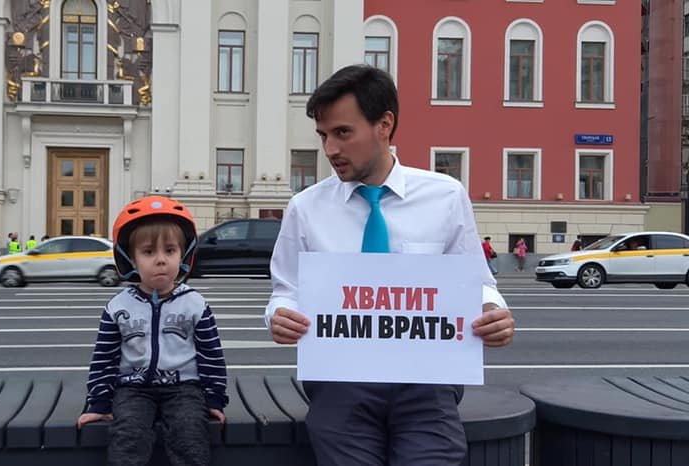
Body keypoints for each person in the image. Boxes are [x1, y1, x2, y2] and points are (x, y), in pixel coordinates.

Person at [265, 65, 514, 466]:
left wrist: (493, 311)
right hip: (340, 381)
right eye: (323, 135)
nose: (330, 149)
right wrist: (279, 315)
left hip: (427, 380)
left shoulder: (446, 197)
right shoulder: (306, 208)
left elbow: (477, 283)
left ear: (384, 125)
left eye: (342, 133)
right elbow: (286, 290)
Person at [77, 196, 228, 466]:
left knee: (190, 433)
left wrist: (214, 398)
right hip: (133, 389)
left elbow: (211, 355)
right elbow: (104, 358)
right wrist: (99, 403)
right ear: (131, 259)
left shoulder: (195, 304)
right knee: (128, 435)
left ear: (183, 254)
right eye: (148, 252)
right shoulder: (118, 307)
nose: (161, 260)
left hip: (184, 388)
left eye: (170, 250)